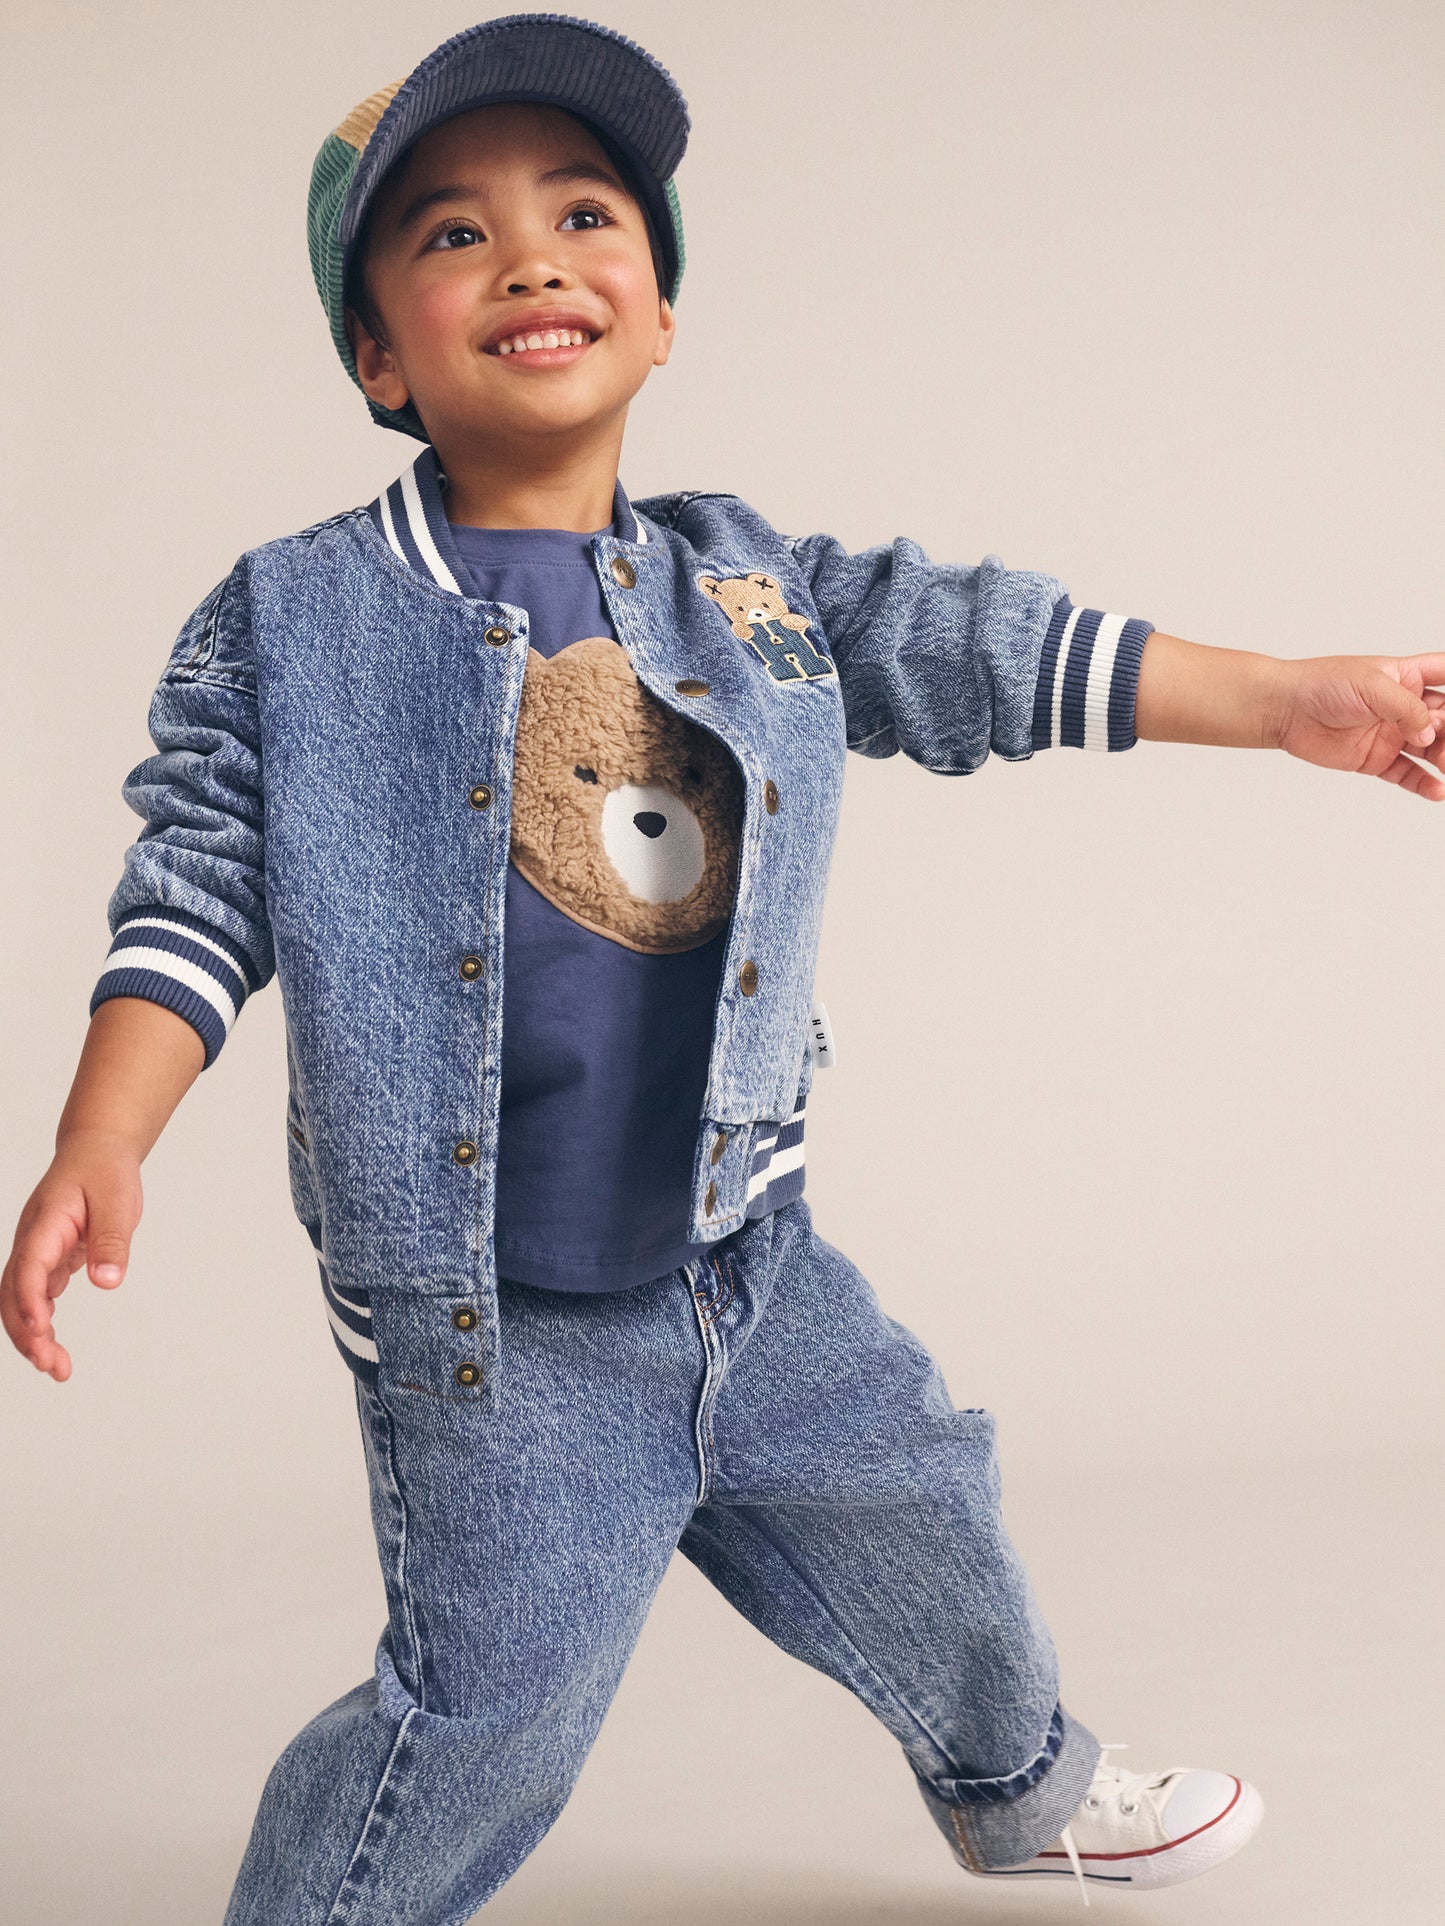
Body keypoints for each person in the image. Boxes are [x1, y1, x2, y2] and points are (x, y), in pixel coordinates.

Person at [4, 15, 1440, 1922]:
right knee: (490, 1712)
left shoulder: (751, 586)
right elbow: (192, 885)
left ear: (660, 312)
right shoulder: (295, 619)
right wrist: (104, 1136)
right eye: (451, 234)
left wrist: (1282, 701)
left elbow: (979, 648)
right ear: (377, 358)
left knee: (920, 1498)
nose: (528, 259)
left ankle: (1016, 1783)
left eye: (583, 214)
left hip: (746, 1255)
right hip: (496, 1326)